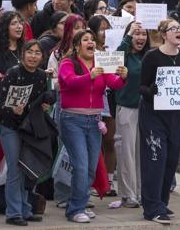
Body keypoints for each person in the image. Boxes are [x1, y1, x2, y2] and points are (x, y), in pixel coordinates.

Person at [58, 30, 126, 223]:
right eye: (85, 40)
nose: (91, 43)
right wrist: (90, 76)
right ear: (77, 46)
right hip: (73, 120)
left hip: (94, 121)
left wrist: (122, 76)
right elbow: (69, 82)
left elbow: (114, 84)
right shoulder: (68, 63)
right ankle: (75, 209)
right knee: (80, 165)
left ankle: (79, 204)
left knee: (90, 168)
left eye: (92, 40)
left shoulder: (101, 63)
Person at [0, 40, 53, 225]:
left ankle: (25, 209)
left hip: (29, 127)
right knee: (15, 168)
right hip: (9, 126)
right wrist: (12, 110)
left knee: (27, 168)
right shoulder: (12, 73)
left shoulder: (42, 76)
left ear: (42, 57)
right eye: (30, 52)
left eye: (37, 53)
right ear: (23, 54)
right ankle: (14, 213)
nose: (33, 56)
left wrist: (47, 102)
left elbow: (44, 98)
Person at [138, 18, 180, 224]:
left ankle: (162, 202)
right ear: (163, 34)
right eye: (173, 29)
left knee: (170, 160)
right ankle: (151, 207)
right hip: (153, 115)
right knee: (155, 158)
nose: (178, 31)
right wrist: (153, 92)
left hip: (175, 116)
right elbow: (141, 86)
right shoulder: (152, 57)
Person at [114, 21, 148, 209]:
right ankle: (128, 194)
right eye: (136, 33)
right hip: (127, 109)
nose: (140, 37)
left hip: (146, 111)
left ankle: (142, 191)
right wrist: (127, 37)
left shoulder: (148, 56)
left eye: (143, 33)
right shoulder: (124, 56)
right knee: (126, 152)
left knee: (142, 153)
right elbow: (117, 57)